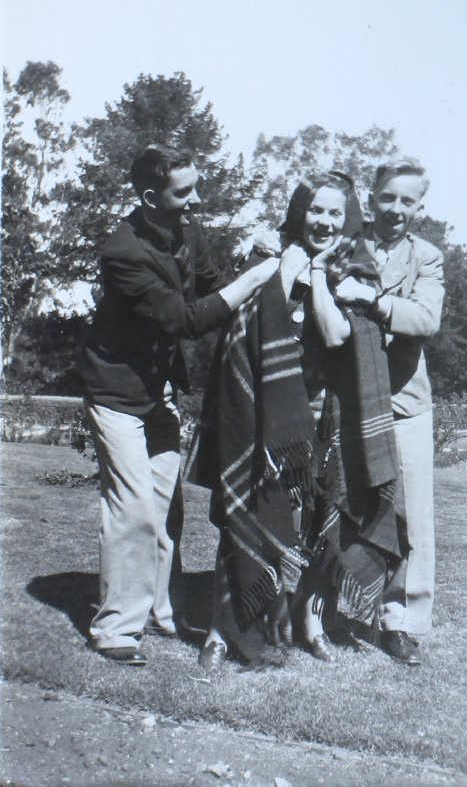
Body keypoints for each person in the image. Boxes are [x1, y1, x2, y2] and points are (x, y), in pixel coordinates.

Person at [188, 170, 407, 671]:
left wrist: (322, 281)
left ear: (347, 216)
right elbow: (245, 331)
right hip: (262, 416)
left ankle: (310, 626)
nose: (324, 221)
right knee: (244, 512)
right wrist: (286, 271)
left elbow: (334, 337)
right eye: (315, 210)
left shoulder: (356, 263)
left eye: (335, 212)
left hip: (322, 417)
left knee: (316, 524)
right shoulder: (269, 254)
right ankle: (223, 630)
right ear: (299, 211)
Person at [79, 144, 280, 665]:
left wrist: (260, 263)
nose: (197, 199)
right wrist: (256, 278)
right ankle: (116, 628)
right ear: (149, 196)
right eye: (184, 191)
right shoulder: (121, 251)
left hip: (159, 392)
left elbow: (216, 287)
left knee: (167, 509)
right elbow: (184, 320)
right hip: (116, 394)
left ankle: (164, 613)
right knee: (133, 508)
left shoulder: (187, 233)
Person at [332, 157, 444, 665]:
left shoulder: (427, 257)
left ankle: (401, 622)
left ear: (419, 206)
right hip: (350, 401)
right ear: (371, 200)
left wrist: (372, 301)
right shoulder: (343, 246)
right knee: (346, 507)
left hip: (405, 405)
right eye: (387, 198)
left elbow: (424, 318)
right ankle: (331, 606)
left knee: (410, 518)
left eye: (407, 200)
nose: (395, 209)